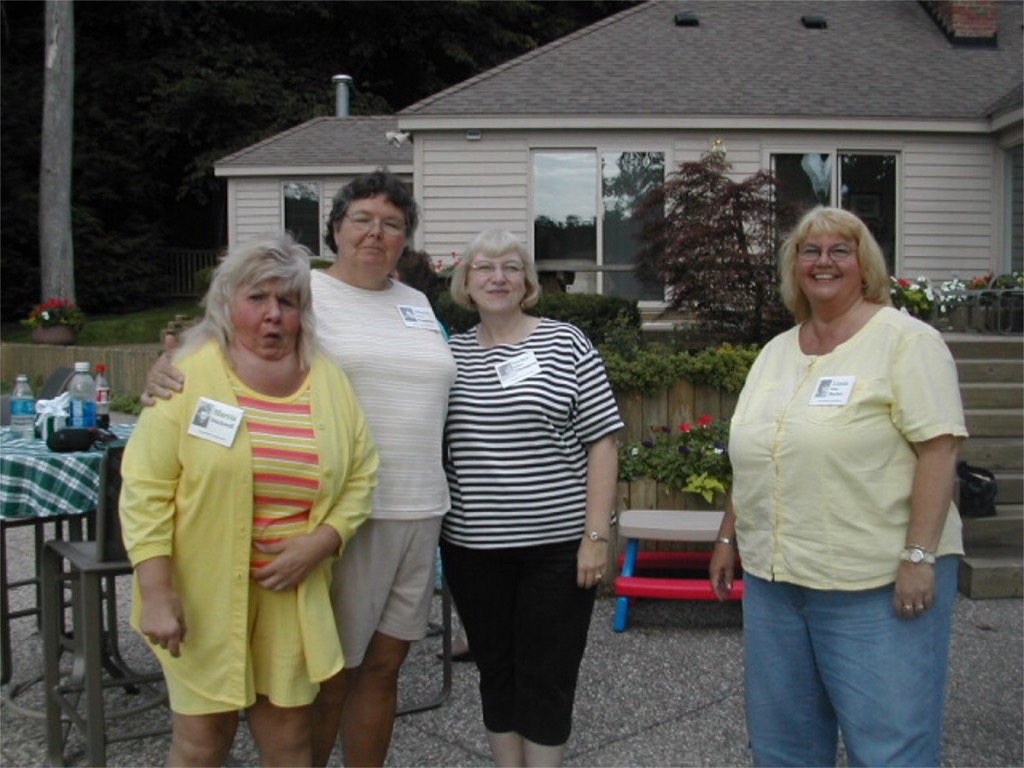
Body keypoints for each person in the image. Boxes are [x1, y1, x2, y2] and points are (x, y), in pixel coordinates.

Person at [145, 169, 457, 767]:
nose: (375, 233)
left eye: (392, 224)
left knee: (387, 665)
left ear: (405, 240)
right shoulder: (305, 295)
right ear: (335, 229)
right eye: (361, 219)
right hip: (342, 515)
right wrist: (170, 365)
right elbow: (226, 329)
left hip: (420, 507)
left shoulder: (417, 303)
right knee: (328, 674)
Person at [709, 206, 967, 767]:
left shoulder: (906, 342)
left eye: (839, 251)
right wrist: (729, 539)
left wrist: (919, 556)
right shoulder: (777, 352)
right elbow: (760, 453)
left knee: (890, 745)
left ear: (864, 264)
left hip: (874, 583)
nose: (823, 262)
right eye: (810, 251)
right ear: (794, 267)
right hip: (778, 583)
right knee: (783, 746)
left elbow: (940, 449)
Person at [120, 233, 379, 767]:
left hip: (289, 597)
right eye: (257, 298)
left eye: (287, 300)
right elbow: (145, 489)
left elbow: (361, 476)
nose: (272, 315)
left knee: (288, 741)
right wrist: (156, 586)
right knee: (201, 741)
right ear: (227, 303)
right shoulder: (188, 378)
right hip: (200, 597)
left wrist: (324, 541)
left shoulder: (328, 381)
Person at [440, 228, 624, 767]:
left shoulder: (566, 342)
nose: (498, 277)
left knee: (548, 674)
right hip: (473, 549)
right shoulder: (449, 356)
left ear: (528, 283)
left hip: (558, 547)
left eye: (511, 267)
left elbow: (603, 441)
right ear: (466, 285)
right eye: (484, 268)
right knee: (496, 669)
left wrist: (597, 535)